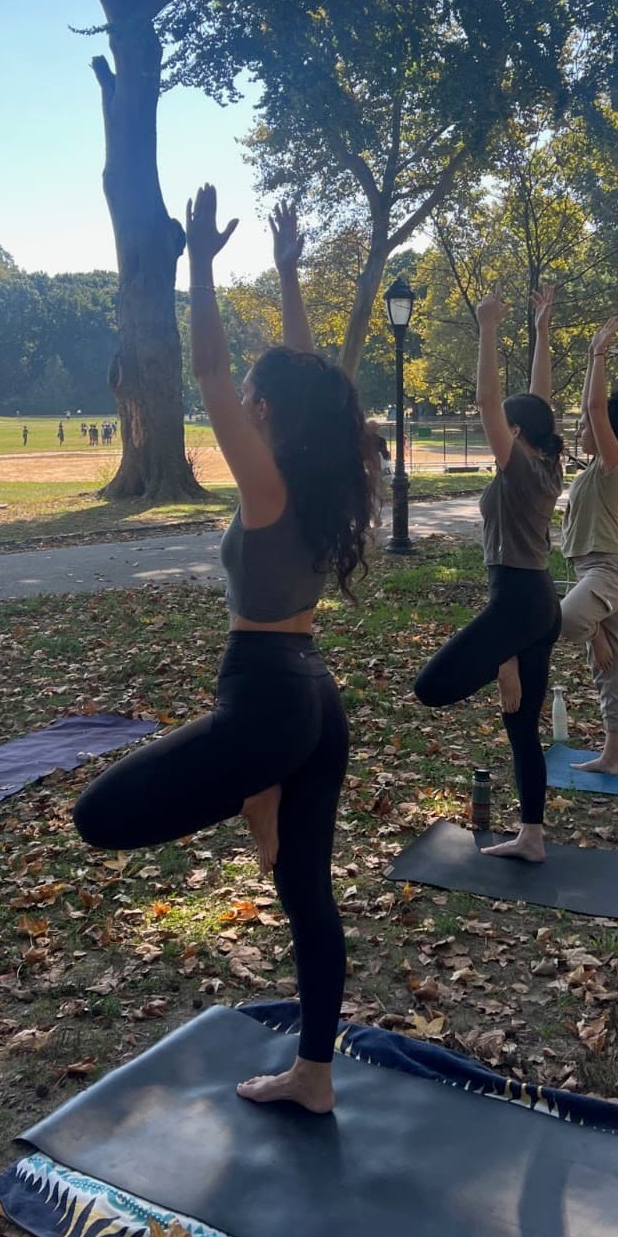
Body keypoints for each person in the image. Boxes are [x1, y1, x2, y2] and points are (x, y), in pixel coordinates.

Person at [74, 190, 374, 1115]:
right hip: (314, 695)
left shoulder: (270, 484)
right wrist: (286, 274)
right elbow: (309, 374)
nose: (240, 402)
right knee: (306, 893)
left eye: (252, 399)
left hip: (266, 699)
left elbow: (208, 373)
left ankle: (252, 792)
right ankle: (314, 1078)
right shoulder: (326, 476)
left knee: (97, 816)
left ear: (268, 412)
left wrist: (200, 268)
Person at [413, 286, 563, 863]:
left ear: (515, 433)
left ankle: (502, 658)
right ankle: (532, 836)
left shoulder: (519, 464)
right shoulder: (547, 461)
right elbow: (539, 401)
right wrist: (542, 332)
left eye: (506, 425)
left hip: (517, 601)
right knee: (521, 725)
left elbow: (487, 399)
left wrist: (488, 327)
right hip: (539, 602)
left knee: (430, 688)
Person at [559, 317, 618, 777]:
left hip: (609, 570)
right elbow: (590, 410)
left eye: (586, 427)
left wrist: (598, 353)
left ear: (607, 430)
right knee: (608, 668)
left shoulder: (615, 466)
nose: (581, 431)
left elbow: (594, 407)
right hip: (594, 571)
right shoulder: (592, 470)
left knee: (569, 620)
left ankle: (594, 635)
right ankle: (612, 756)